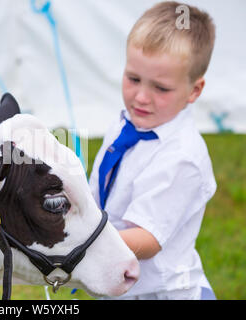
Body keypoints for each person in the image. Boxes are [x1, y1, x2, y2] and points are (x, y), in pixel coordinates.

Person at [89, 1, 217, 300]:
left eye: (160, 88)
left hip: (164, 293)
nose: (141, 98)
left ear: (194, 90)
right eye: (133, 79)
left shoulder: (182, 158)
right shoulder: (126, 123)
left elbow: (147, 238)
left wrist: (83, 244)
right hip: (123, 286)